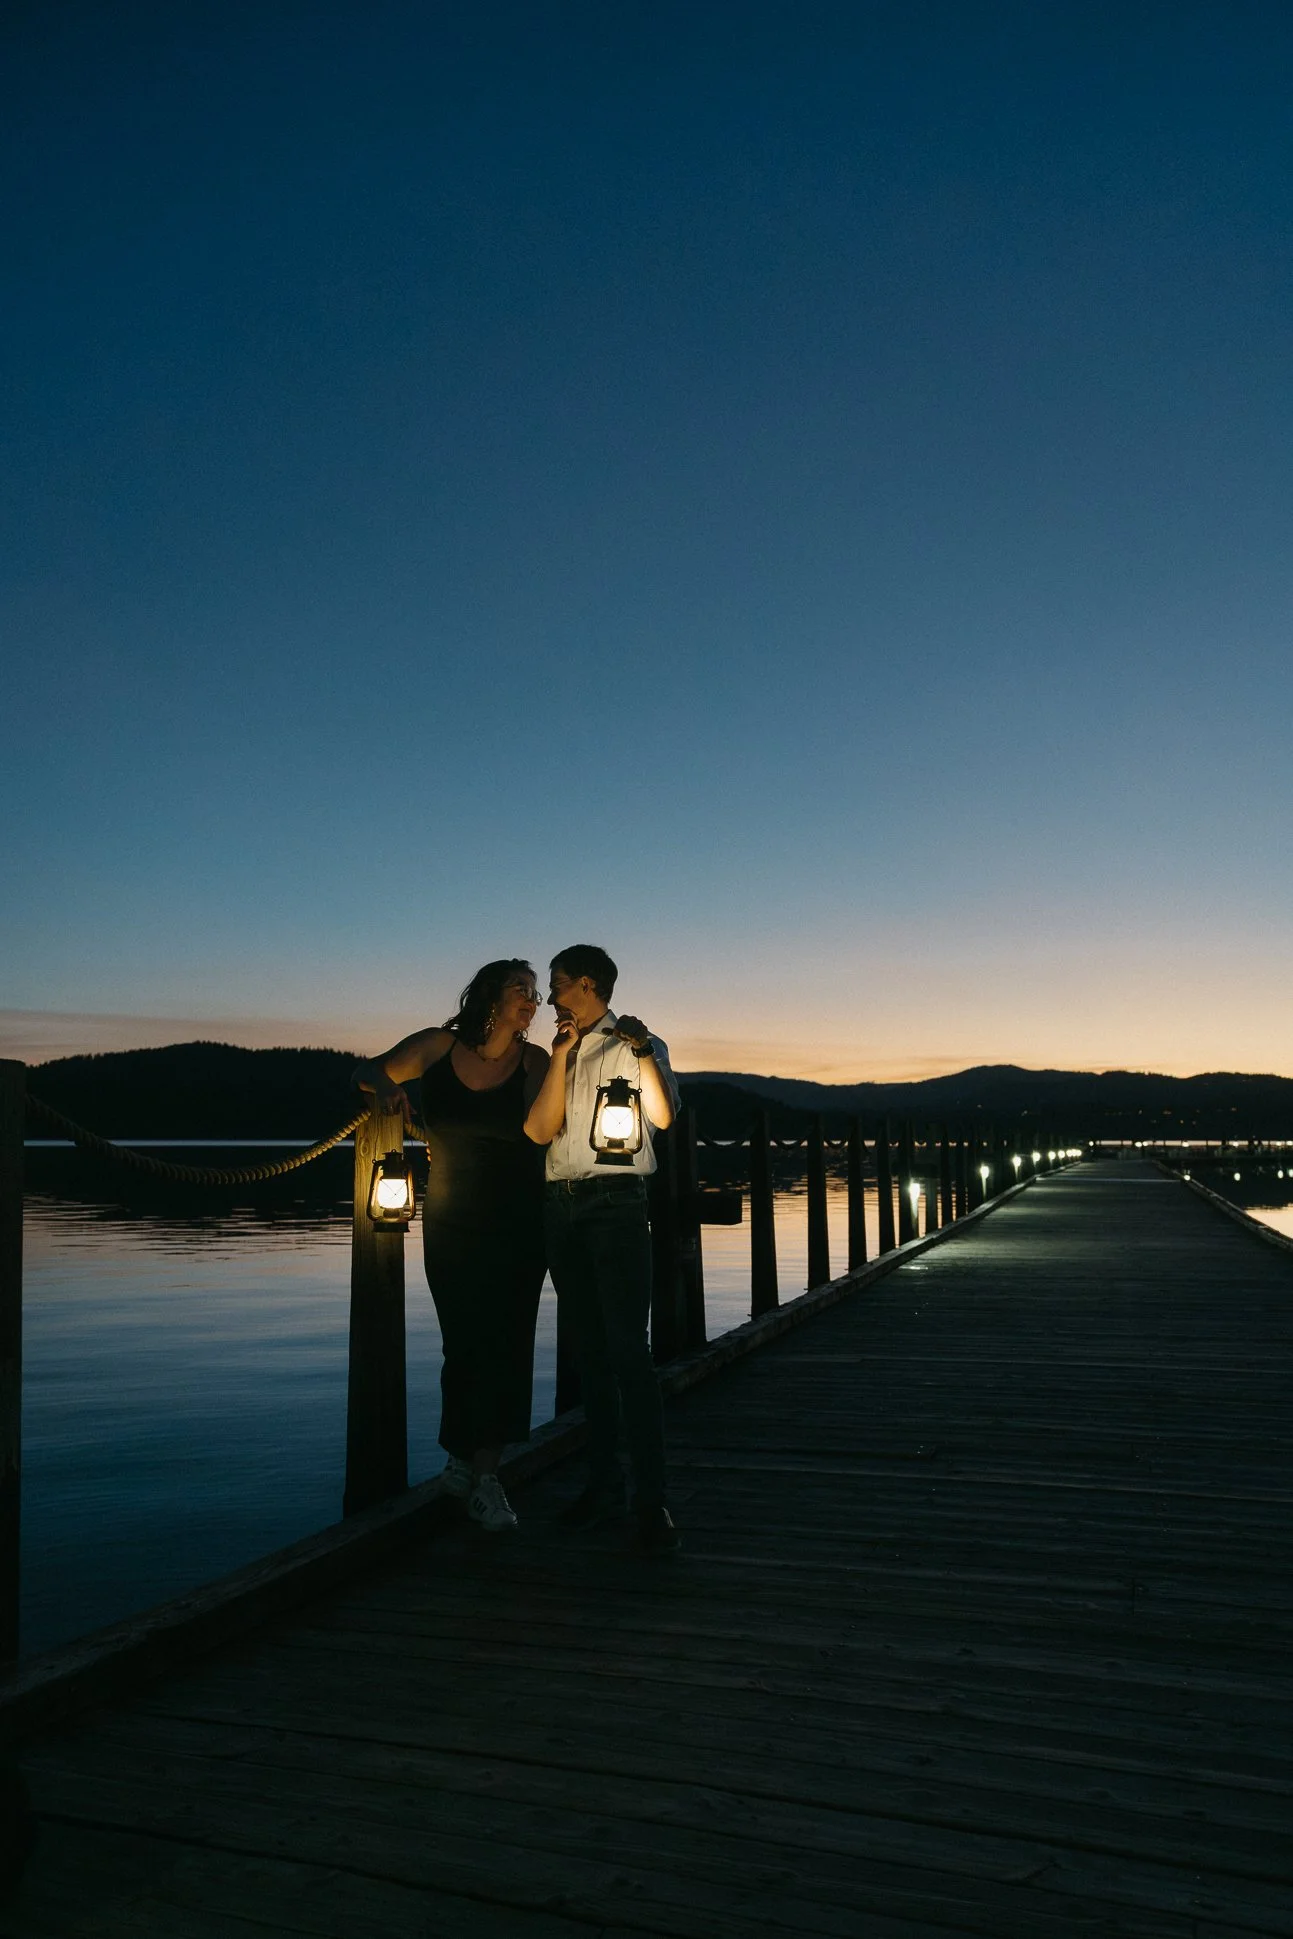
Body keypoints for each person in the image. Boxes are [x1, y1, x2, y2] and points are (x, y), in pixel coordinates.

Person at [354, 960, 548, 1532]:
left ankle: (486, 1476)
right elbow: (368, 1071)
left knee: (509, 1345)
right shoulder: (437, 1048)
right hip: (451, 1218)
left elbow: (545, 1129)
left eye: (537, 994)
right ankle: (461, 1458)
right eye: (522, 990)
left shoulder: (533, 1061)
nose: (532, 1002)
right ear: (491, 995)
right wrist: (389, 1088)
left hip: (518, 1220)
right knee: (463, 1343)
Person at [523, 943, 682, 1554]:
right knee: (589, 1353)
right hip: (560, 1205)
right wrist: (561, 1055)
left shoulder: (637, 1044)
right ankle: (602, 1488)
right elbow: (539, 1132)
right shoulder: (559, 1051)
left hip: (616, 1206)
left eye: (557, 984)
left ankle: (651, 1500)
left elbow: (664, 1120)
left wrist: (642, 1053)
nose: (549, 997)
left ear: (585, 985)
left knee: (627, 1353)